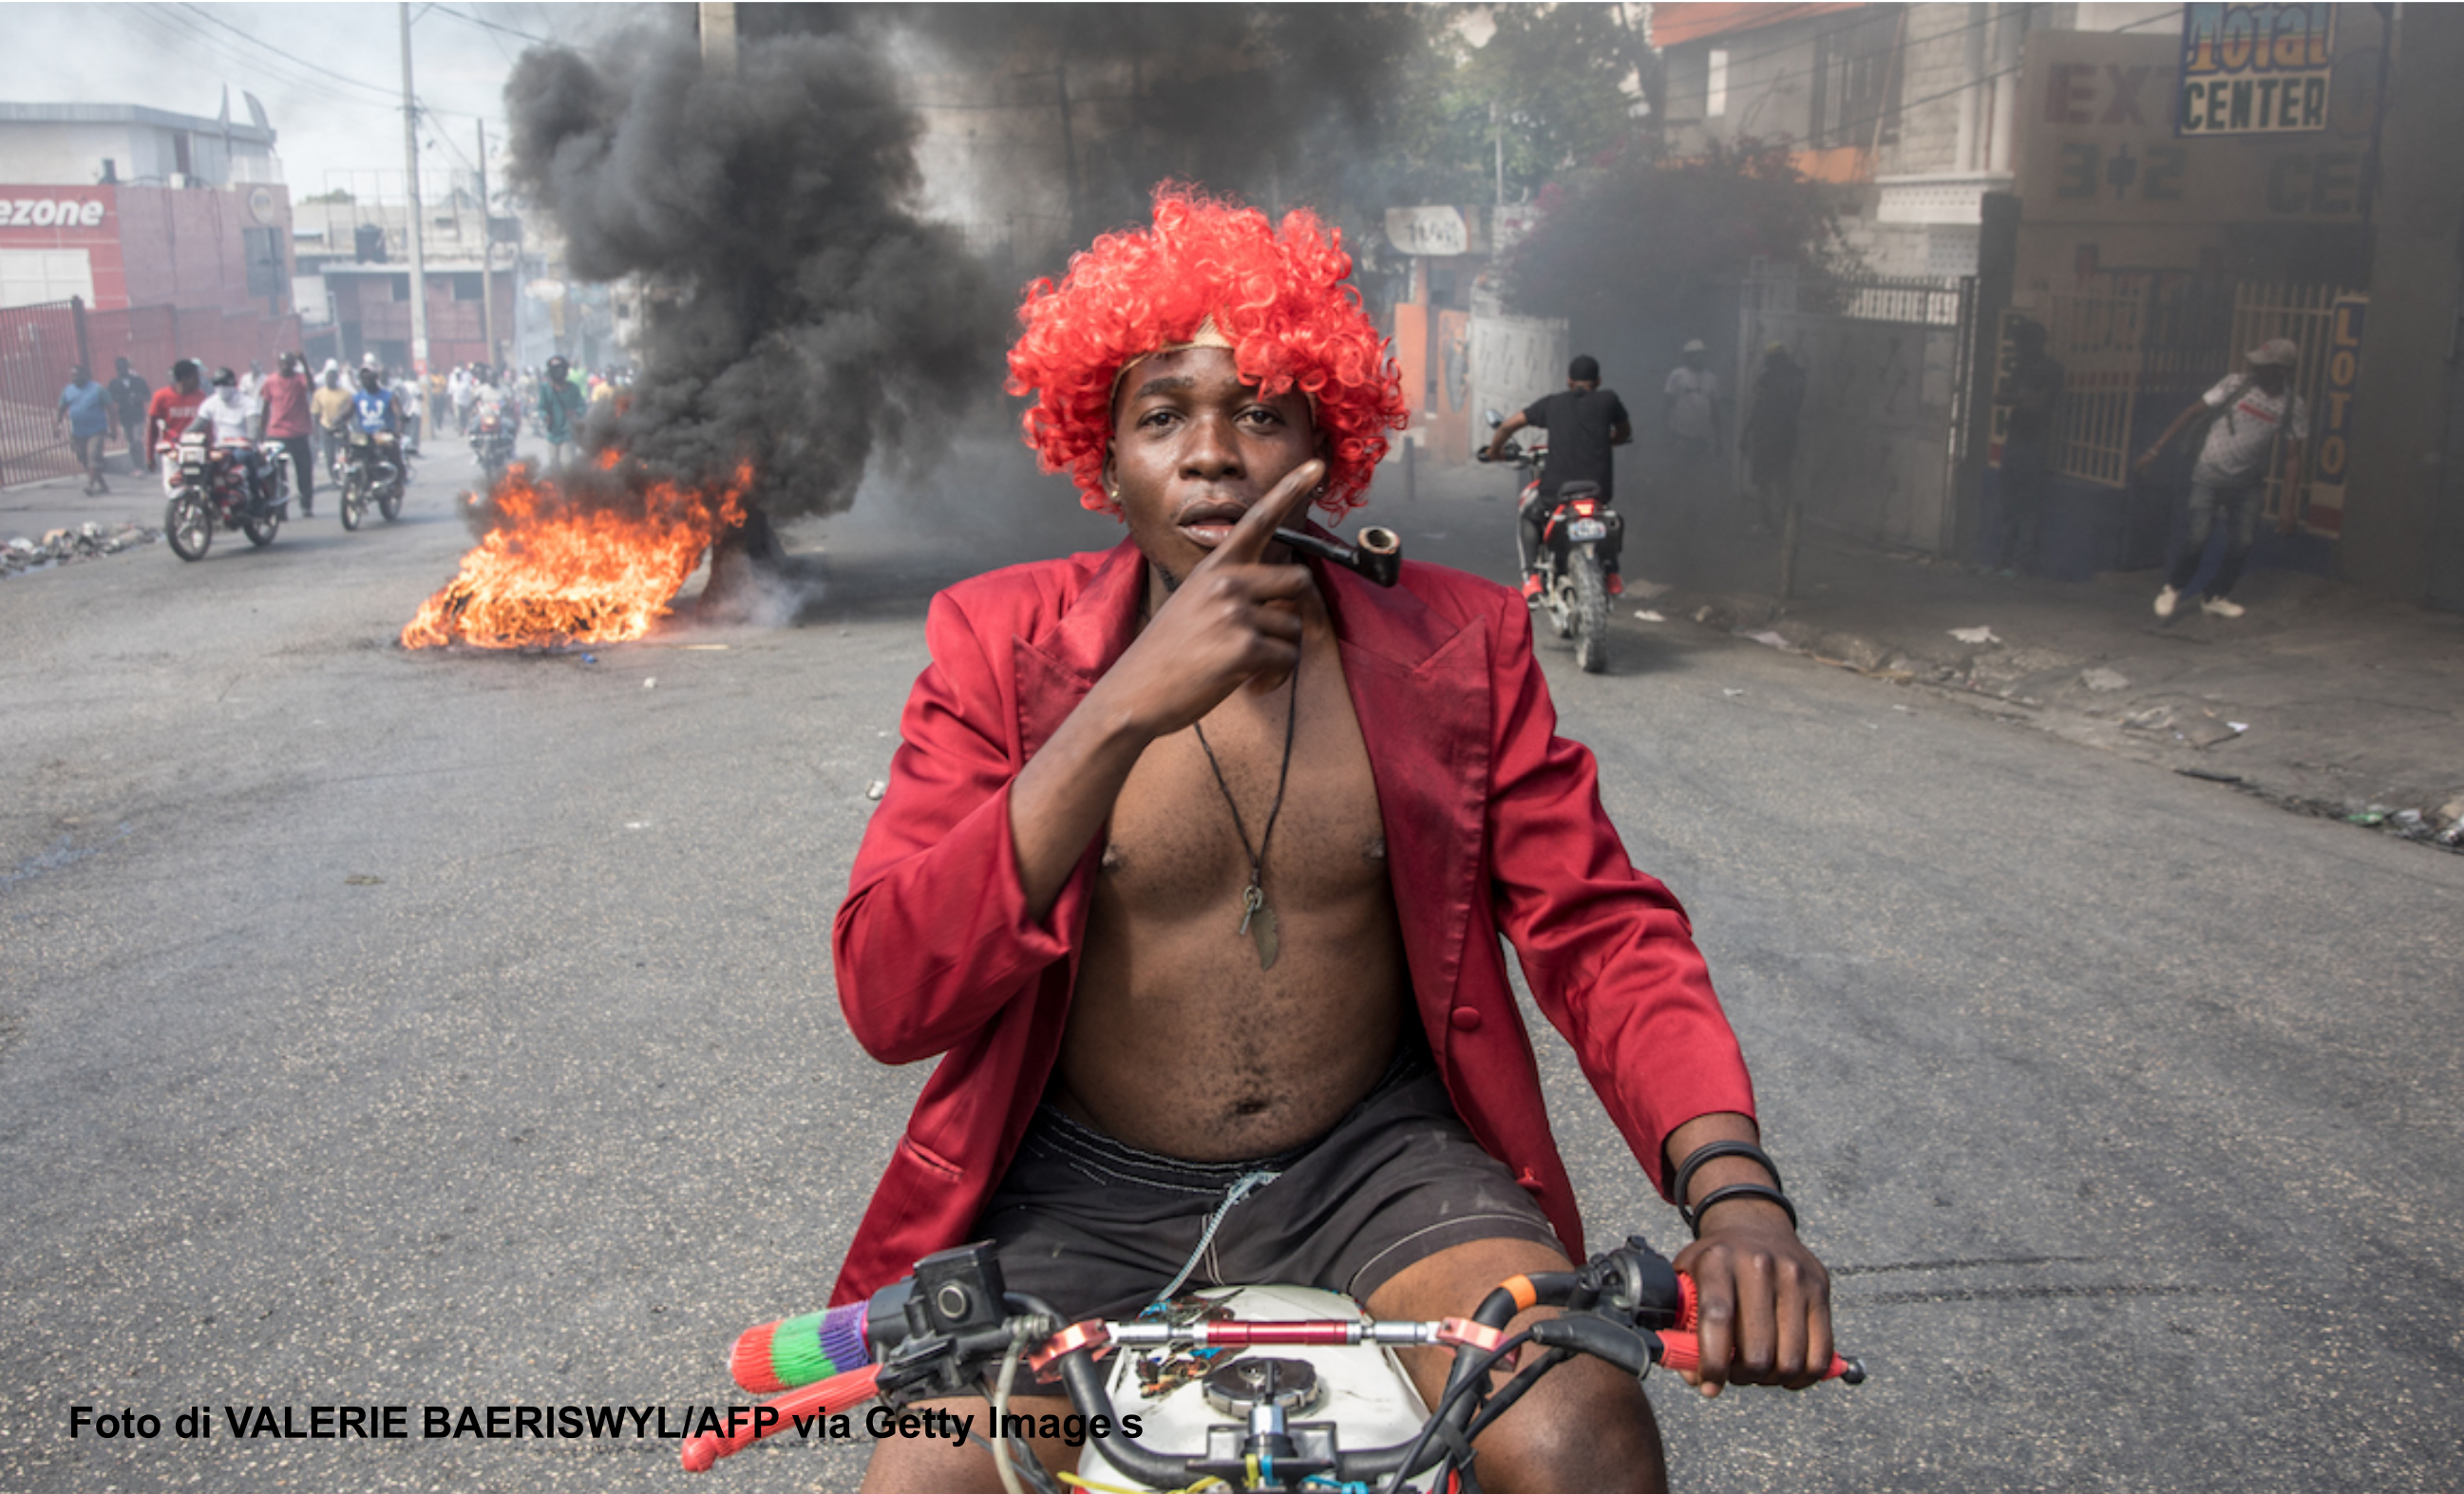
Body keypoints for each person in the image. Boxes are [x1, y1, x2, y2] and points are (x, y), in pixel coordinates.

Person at [833, 188, 1831, 1494]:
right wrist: (1116, 711)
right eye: (1158, 416)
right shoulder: (996, 642)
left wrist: (1735, 1190)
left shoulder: (1457, 641)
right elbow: (890, 995)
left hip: (1380, 1162)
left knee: (1579, 1427)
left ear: (1324, 436)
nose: (1209, 455)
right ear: (1104, 455)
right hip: (1077, 1185)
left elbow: (1600, 927)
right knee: (924, 1478)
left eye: (1257, 408)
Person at [2133, 337, 2308, 619]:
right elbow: (2191, 413)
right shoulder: (2234, 385)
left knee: (2242, 542)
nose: (2254, 369)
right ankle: (2174, 587)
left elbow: (2293, 458)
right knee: (2198, 537)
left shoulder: (2292, 406)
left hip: (2247, 483)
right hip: (2208, 475)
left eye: (2263, 366)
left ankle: (2215, 596)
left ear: (2281, 371)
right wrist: (2156, 448)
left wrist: (2288, 508)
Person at [1484, 354, 1633, 597]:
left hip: (1557, 493)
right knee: (1607, 518)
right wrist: (1609, 441)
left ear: (1569, 381)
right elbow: (1624, 432)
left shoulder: (1552, 404)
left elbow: (1507, 427)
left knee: (1528, 510)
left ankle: (1531, 577)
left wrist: (1494, 452)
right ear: (1598, 381)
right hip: (1598, 490)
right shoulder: (1609, 400)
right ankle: (1613, 572)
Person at [1992, 320, 2064, 576]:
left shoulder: (2052, 370)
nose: (2018, 349)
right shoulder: (2021, 368)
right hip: (2015, 439)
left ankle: (2019, 562)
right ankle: (2004, 559)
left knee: (2027, 505)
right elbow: (2000, 397)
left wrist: (2019, 399)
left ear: (2034, 343)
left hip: (2035, 441)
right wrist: (2023, 398)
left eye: (2021, 343)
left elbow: (2039, 405)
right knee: (2010, 503)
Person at [1737, 342, 1808, 536]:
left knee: (1763, 480)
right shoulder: (1799, 376)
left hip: (1768, 434)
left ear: (1771, 359)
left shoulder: (1768, 378)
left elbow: (1760, 408)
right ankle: (1790, 525)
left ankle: (1767, 523)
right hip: (1788, 434)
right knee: (1783, 479)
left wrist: (1746, 432)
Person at [195, 367, 273, 513]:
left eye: (225, 384)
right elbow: (197, 425)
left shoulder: (246, 402)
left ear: (233, 385)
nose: (221, 388)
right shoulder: (210, 403)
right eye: (218, 385)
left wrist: (251, 439)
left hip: (242, 446)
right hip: (220, 447)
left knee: (245, 457)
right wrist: (183, 438)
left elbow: (253, 425)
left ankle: (256, 499)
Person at [1662, 338, 1723, 512]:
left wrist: (1718, 439)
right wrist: (1666, 434)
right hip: (1680, 434)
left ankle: (1693, 513)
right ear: (1688, 357)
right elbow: (1667, 406)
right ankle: (1673, 510)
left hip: (1702, 437)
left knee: (1699, 477)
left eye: (1702, 355)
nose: (1700, 359)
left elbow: (1715, 410)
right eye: (1696, 356)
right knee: (1679, 474)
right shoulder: (1677, 375)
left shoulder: (1711, 378)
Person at [259, 352, 315, 517]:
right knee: (276, 473)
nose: (285, 366)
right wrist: (261, 432)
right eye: (282, 363)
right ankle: (280, 507)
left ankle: (306, 504)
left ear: (293, 365)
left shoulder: (299, 378)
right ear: (278, 364)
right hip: (277, 433)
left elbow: (311, 388)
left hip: (299, 432)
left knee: (304, 470)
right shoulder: (270, 381)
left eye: (289, 363)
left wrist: (304, 363)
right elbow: (265, 407)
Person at [55, 364, 113, 495]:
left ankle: (90, 485)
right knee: (84, 459)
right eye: (72, 375)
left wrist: (113, 429)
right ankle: (103, 485)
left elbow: (111, 408)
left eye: (77, 375)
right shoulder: (68, 390)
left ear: (85, 375)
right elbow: (61, 408)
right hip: (78, 432)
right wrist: (57, 426)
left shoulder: (98, 389)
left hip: (97, 431)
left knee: (92, 456)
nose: (75, 378)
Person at [143, 359, 210, 462]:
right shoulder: (161, 397)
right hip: (172, 452)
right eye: (196, 377)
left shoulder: (201, 396)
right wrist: (150, 455)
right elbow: (152, 429)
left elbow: (208, 426)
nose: (199, 380)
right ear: (185, 379)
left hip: (197, 450)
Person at [537, 355, 588, 468]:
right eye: (555, 370)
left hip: (568, 435)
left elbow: (583, 407)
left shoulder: (573, 388)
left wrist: (575, 412)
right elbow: (541, 407)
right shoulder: (545, 389)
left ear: (565, 372)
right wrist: (545, 416)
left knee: (567, 466)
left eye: (560, 369)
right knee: (554, 468)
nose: (557, 373)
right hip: (552, 435)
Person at [106, 356, 152, 474]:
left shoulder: (138, 381)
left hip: (138, 416)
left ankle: (141, 466)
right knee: (131, 442)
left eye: (124, 367)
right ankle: (137, 465)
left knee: (137, 440)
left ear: (128, 367)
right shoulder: (113, 384)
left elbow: (148, 396)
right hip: (124, 417)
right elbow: (109, 401)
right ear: (116, 369)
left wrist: (139, 398)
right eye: (119, 368)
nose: (122, 370)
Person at [312, 364, 355, 480]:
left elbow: (351, 410)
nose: (330, 380)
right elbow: (316, 413)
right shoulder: (319, 394)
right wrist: (315, 430)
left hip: (341, 427)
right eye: (328, 378)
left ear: (336, 379)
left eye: (332, 378)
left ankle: (348, 476)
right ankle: (334, 478)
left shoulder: (345, 394)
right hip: (326, 428)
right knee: (330, 456)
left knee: (346, 453)